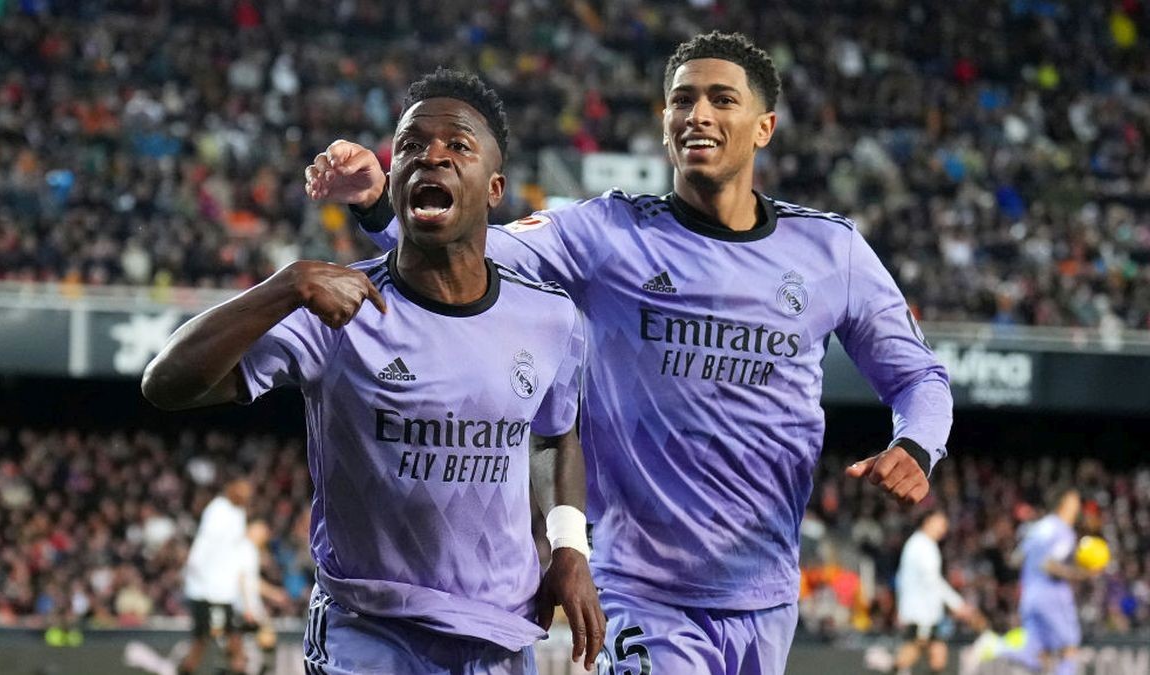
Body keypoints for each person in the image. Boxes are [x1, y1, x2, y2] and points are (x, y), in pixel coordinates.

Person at [306, 31, 953, 674]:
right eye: (682, 100)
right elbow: (473, 250)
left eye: (722, 99)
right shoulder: (607, 233)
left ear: (764, 127)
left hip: (767, 591)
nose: (697, 113)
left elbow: (918, 375)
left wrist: (916, 444)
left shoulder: (828, 250)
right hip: (643, 592)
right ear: (665, 121)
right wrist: (380, 198)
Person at [144, 69, 604, 674]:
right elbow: (166, 384)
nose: (430, 157)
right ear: (395, 180)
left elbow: (551, 435)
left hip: (499, 630)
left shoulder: (548, 317)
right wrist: (283, 287)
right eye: (411, 145)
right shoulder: (335, 308)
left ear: (494, 188)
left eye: (456, 146)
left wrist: (570, 548)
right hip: (369, 633)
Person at [972, 487, 1099, 675]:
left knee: (1041, 654)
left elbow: (1016, 558)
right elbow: (1048, 564)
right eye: (1075, 501)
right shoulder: (1063, 531)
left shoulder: (1040, 526)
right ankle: (996, 645)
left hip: (1031, 596)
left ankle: (997, 646)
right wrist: (1083, 574)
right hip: (1053, 597)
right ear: (1065, 503)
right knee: (1069, 648)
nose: (1078, 506)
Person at [893, 510, 982, 675]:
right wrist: (957, 604)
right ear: (927, 521)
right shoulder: (922, 546)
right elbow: (932, 581)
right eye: (940, 523)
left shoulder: (920, 544)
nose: (944, 529)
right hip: (920, 612)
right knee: (913, 651)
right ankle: (889, 668)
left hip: (925, 612)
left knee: (938, 655)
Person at [179, 478, 253, 675]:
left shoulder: (238, 514)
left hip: (224, 590)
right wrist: (197, 573)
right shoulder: (218, 510)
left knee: (231, 638)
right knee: (202, 640)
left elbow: (234, 551)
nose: (245, 498)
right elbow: (204, 543)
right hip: (207, 589)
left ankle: (236, 669)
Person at [235, 520, 288, 675]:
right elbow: (242, 579)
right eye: (261, 531)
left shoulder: (247, 549)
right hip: (245, 606)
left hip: (244, 605)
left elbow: (252, 581)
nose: (263, 535)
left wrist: (273, 593)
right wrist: (248, 608)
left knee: (243, 647)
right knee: (265, 640)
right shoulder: (246, 548)